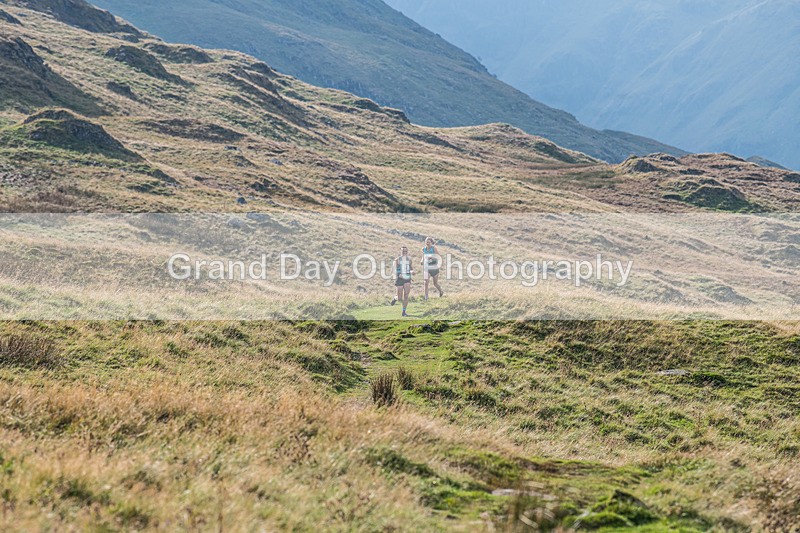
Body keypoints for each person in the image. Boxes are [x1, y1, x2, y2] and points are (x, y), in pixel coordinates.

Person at [390, 246, 413, 316]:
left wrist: (412, 272)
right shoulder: (397, 260)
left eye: (406, 251)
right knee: (399, 298)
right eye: (403, 251)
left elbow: (411, 268)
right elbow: (393, 270)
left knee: (406, 296)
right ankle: (395, 298)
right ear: (401, 252)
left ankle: (404, 312)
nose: (404, 252)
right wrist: (398, 274)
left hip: (407, 278)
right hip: (399, 279)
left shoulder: (409, 260)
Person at [422, 237, 443, 301]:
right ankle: (426, 297)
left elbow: (438, 256)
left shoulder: (433, 248)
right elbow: (423, 256)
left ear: (431, 243)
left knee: (435, 283)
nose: (427, 243)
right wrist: (422, 261)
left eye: (429, 242)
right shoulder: (424, 249)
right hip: (427, 268)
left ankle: (441, 291)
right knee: (426, 282)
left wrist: (432, 258)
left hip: (434, 267)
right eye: (426, 242)